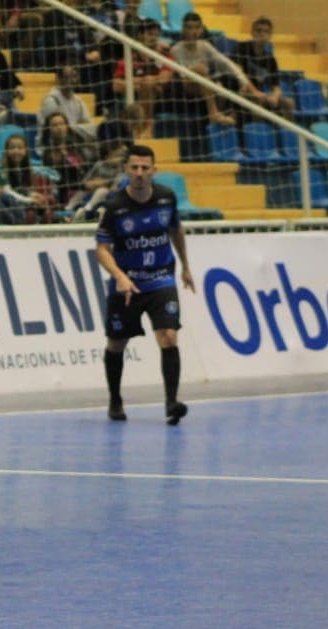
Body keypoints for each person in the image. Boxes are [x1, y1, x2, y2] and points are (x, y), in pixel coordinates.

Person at [94, 143, 195, 425]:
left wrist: (185, 266)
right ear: (126, 169)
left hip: (160, 279)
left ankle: (171, 402)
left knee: (169, 336)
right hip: (127, 285)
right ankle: (115, 399)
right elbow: (101, 249)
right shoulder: (114, 206)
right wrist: (120, 276)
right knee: (117, 343)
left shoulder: (166, 198)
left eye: (144, 168)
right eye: (134, 168)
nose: (139, 173)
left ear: (154, 170)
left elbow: (176, 230)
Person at [167, 11, 259, 127]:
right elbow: (182, 75)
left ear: (201, 30)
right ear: (183, 29)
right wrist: (200, 72)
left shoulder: (204, 46)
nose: (193, 32)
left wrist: (244, 82)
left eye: (196, 28)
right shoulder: (176, 49)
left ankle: (240, 116)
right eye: (190, 28)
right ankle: (214, 113)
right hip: (185, 88)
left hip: (206, 85)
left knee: (233, 74)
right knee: (201, 71)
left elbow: (226, 63)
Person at [231, 16, 294, 120]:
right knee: (258, 104)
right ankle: (258, 133)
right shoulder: (242, 48)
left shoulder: (270, 59)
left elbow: (276, 86)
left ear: (270, 36)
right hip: (240, 92)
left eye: (266, 31)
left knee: (289, 103)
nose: (262, 34)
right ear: (252, 32)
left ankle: (287, 133)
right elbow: (239, 74)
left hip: (259, 94)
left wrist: (275, 96)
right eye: (258, 30)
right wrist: (256, 92)